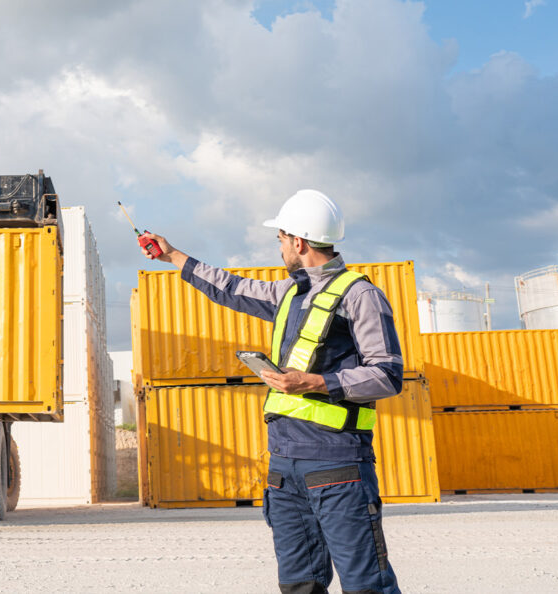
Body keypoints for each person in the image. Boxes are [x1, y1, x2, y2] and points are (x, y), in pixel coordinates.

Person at [141, 189, 403, 594]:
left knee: (367, 587)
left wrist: (316, 382)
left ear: (298, 242)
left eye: (280, 239)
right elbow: (230, 288)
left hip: (337, 465)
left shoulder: (360, 295)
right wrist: (173, 255)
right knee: (299, 586)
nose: (279, 248)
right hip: (284, 469)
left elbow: (387, 375)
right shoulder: (288, 293)